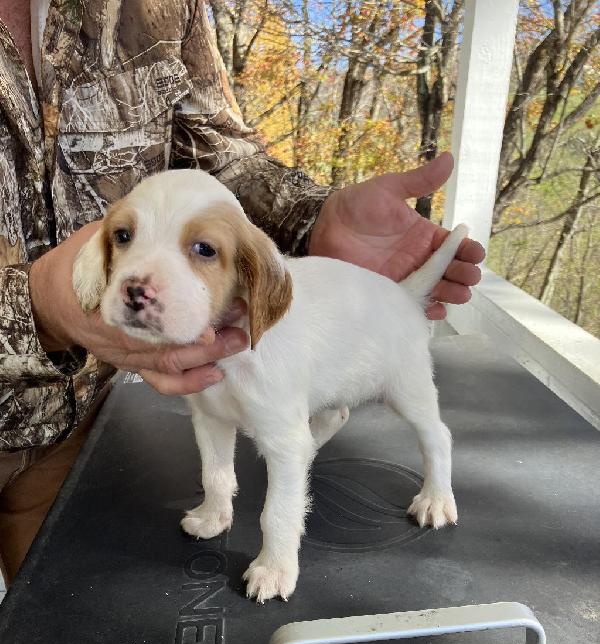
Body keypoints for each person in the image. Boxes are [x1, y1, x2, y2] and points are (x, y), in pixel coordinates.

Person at [0, 1, 483, 584]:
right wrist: (35, 305)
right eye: (124, 238)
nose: (137, 272)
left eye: (201, 252)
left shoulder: (159, 7)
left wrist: (313, 216)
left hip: (80, 436)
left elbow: (219, 155)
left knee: (50, 625)